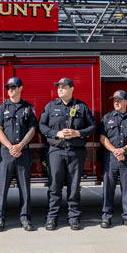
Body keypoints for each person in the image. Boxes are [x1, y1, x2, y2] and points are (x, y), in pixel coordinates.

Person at [39, 77, 96, 230]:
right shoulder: (50, 106)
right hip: (56, 151)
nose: (60, 89)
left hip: (75, 152)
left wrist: (77, 132)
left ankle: (74, 218)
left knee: (74, 187)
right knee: (54, 187)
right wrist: (56, 133)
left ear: (72, 89)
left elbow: (92, 127)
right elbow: (41, 126)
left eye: (64, 87)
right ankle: (52, 218)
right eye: (59, 87)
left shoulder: (81, 107)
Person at [0, 77, 37, 232]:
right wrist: (10, 146)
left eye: (13, 87)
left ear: (20, 88)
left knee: (25, 188)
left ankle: (25, 218)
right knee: (2, 188)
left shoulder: (28, 108)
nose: (10, 89)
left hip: (23, 153)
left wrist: (20, 146)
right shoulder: (2, 107)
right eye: (8, 87)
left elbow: (32, 129)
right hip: (6, 154)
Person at [99, 90, 127, 228]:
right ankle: (106, 217)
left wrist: (124, 149)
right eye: (114, 100)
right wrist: (115, 151)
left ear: (126, 102)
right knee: (108, 189)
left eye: (119, 100)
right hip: (111, 158)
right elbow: (102, 138)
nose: (116, 102)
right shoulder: (107, 118)